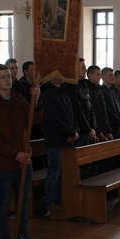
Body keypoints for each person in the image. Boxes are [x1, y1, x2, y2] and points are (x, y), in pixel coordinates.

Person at [0, 63, 42, 239]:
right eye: (2, 77)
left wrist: (37, 100)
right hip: (4, 162)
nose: (7, 79)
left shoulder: (17, 99)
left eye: (8, 76)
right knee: (3, 203)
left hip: (23, 159)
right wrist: (14, 154)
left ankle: (22, 234)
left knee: (24, 200)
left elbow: (36, 120)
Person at [42, 69, 78, 211]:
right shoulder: (48, 95)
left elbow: (71, 115)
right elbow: (53, 120)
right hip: (56, 140)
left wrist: (74, 131)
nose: (60, 77)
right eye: (57, 74)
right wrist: (70, 132)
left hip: (67, 139)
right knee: (54, 173)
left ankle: (60, 200)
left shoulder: (64, 93)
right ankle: (50, 203)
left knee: (63, 174)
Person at [100, 67, 120, 138]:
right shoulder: (101, 91)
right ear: (103, 77)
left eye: (113, 75)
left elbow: (119, 110)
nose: (112, 78)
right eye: (110, 75)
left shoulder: (113, 92)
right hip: (110, 127)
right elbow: (108, 111)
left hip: (119, 126)